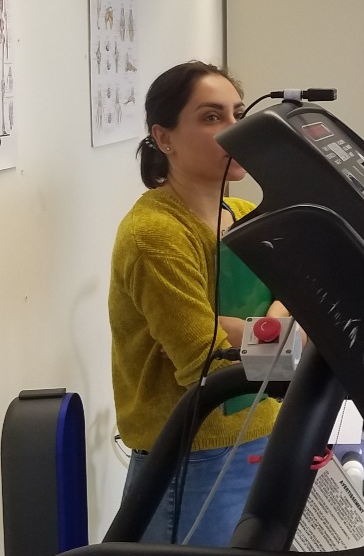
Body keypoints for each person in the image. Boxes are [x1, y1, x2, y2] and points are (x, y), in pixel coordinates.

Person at [108, 60, 287, 545]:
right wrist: (281, 328)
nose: (235, 129)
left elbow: (300, 295)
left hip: (263, 434)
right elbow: (204, 357)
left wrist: (265, 327)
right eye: (211, 117)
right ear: (164, 138)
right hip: (191, 457)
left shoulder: (249, 213)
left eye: (237, 113)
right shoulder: (154, 235)